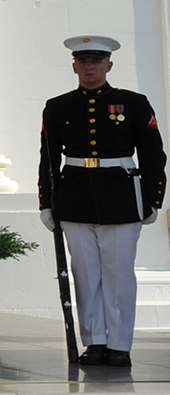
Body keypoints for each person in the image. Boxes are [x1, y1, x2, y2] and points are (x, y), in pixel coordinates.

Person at [38, 35, 165, 367]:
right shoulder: (58, 106)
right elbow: (48, 159)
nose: (89, 67)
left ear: (109, 65)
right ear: (74, 66)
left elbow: (153, 154)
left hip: (121, 197)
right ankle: (94, 341)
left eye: (96, 62)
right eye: (83, 62)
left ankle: (119, 344)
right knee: (85, 275)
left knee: (119, 275)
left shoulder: (134, 103)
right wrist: (46, 202)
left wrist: (152, 198)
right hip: (75, 197)